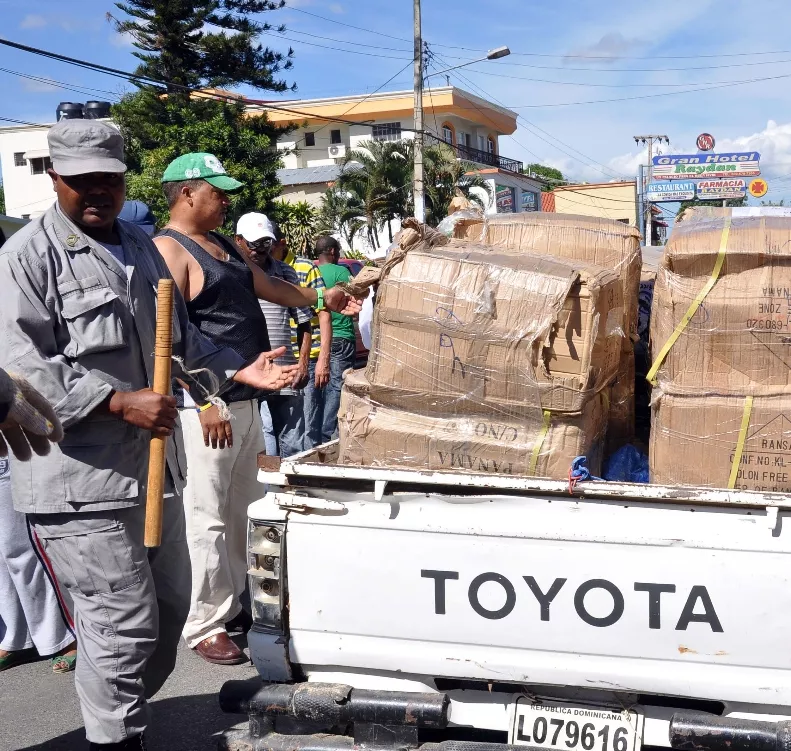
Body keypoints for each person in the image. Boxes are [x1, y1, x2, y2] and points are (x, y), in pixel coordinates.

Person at [0, 119, 300, 750]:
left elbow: (177, 341)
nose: (96, 193)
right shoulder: (25, 258)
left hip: (155, 470)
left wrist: (236, 369)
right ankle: (116, 739)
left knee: (167, 618)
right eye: (81, 181)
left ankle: (117, 709)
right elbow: (19, 365)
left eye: (108, 179)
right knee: (122, 626)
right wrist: (113, 400)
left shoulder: (138, 245)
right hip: (78, 479)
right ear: (55, 179)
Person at [152, 155, 359, 668]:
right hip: (207, 406)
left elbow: (271, 288)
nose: (226, 200)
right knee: (206, 518)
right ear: (186, 194)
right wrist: (205, 398)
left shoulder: (222, 245)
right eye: (217, 192)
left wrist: (323, 297)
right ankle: (205, 622)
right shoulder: (167, 250)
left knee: (245, 511)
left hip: (246, 399)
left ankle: (243, 602)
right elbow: (166, 338)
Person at [235, 213, 311, 458]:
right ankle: (268, 493)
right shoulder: (234, 275)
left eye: (266, 243)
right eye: (254, 243)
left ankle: (289, 492)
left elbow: (304, 323)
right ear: (238, 241)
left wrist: (303, 364)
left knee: (292, 439)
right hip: (251, 375)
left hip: (286, 373)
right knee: (264, 437)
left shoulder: (286, 273)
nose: (260, 250)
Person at [268, 225, 332, 449]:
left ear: (281, 244)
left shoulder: (305, 269)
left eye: (270, 246)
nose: (265, 252)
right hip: (276, 363)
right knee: (270, 430)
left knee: (306, 427)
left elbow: (323, 312)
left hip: (308, 359)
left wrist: (323, 359)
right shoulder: (260, 270)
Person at [316, 235, 357, 443]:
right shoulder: (342, 272)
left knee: (320, 386)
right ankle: (328, 435)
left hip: (320, 339)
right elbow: (356, 299)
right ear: (332, 251)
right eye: (338, 250)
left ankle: (318, 431)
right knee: (337, 387)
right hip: (342, 336)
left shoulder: (313, 273)